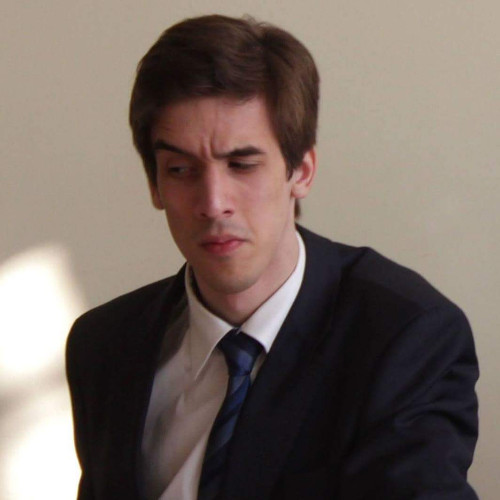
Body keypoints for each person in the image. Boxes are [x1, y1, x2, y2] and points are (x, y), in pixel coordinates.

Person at [66, 14, 479, 500]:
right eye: (180, 169)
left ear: (301, 171)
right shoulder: (104, 346)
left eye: (242, 165)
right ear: (154, 185)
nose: (213, 202)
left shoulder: (404, 337)